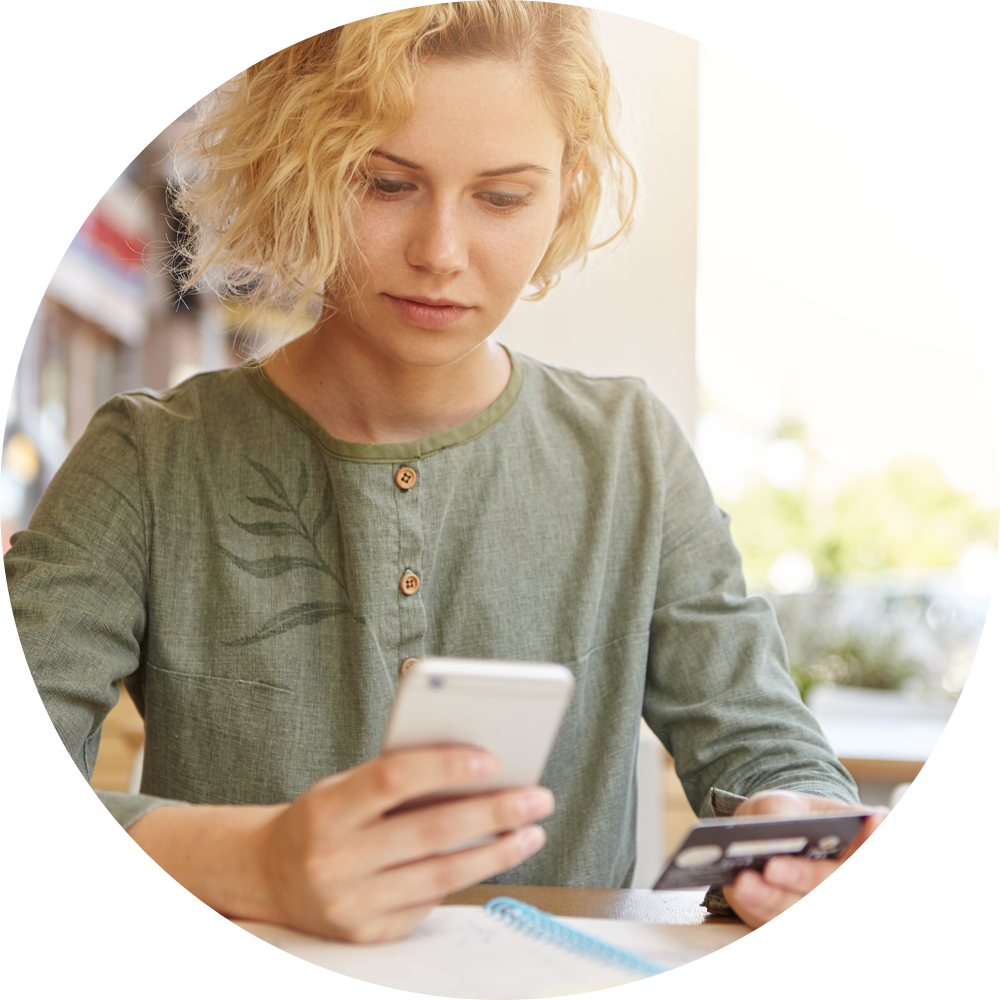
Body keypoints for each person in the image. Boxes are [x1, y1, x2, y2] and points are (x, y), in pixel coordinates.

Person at [9, 4, 885, 945]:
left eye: (501, 199)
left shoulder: (631, 451)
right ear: (296, 169)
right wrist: (255, 861)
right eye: (385, 184)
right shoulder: (147, 460)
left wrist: (788, 825)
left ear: (566, 193)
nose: (440, 253)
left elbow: (764, 745)